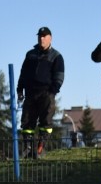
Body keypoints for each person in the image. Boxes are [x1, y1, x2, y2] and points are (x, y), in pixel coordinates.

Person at [17, 27, 65, 158]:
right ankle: (28, 148)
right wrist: (20, 89)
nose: (41, 38)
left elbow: (59, 75)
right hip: (30, 93)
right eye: (39, 36)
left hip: (46, 93)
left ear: (50, 38)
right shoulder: (30, 54)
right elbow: (23, 73)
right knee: (27, 122)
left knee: (45, 122)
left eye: (44, 36)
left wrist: (53, 91)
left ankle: (40, 147)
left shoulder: (56, 56)